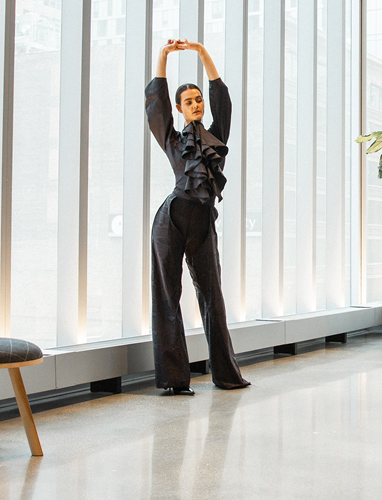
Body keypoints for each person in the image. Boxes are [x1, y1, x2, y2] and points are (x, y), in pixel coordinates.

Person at [145, 39, 250, 395]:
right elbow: (155, 108)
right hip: (170, 221)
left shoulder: (216, 137)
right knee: (167, 296)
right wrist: (162, 58)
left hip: (203, 224)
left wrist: (204, 53)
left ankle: (227, 375)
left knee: (212, 296)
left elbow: (224, 103)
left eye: (198, 100)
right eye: (188, 101)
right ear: (179, 108)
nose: (196, 104)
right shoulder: (173, 140)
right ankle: (174, 381)